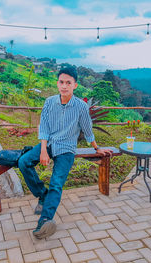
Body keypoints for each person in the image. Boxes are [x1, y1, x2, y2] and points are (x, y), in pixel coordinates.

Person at [18, 66, 113, 239]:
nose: (64, 86)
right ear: (57, 83)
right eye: (61, 82)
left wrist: (97, 148)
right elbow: (44, 127)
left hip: (66, 149)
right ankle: (42, 194)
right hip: (49, 143)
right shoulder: (49, 102)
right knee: (24, 162)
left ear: (75, 85)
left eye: (68, 83)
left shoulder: (81, 107)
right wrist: (43, 150)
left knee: (56, 183)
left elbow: (87, 129)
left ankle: (45, 221)